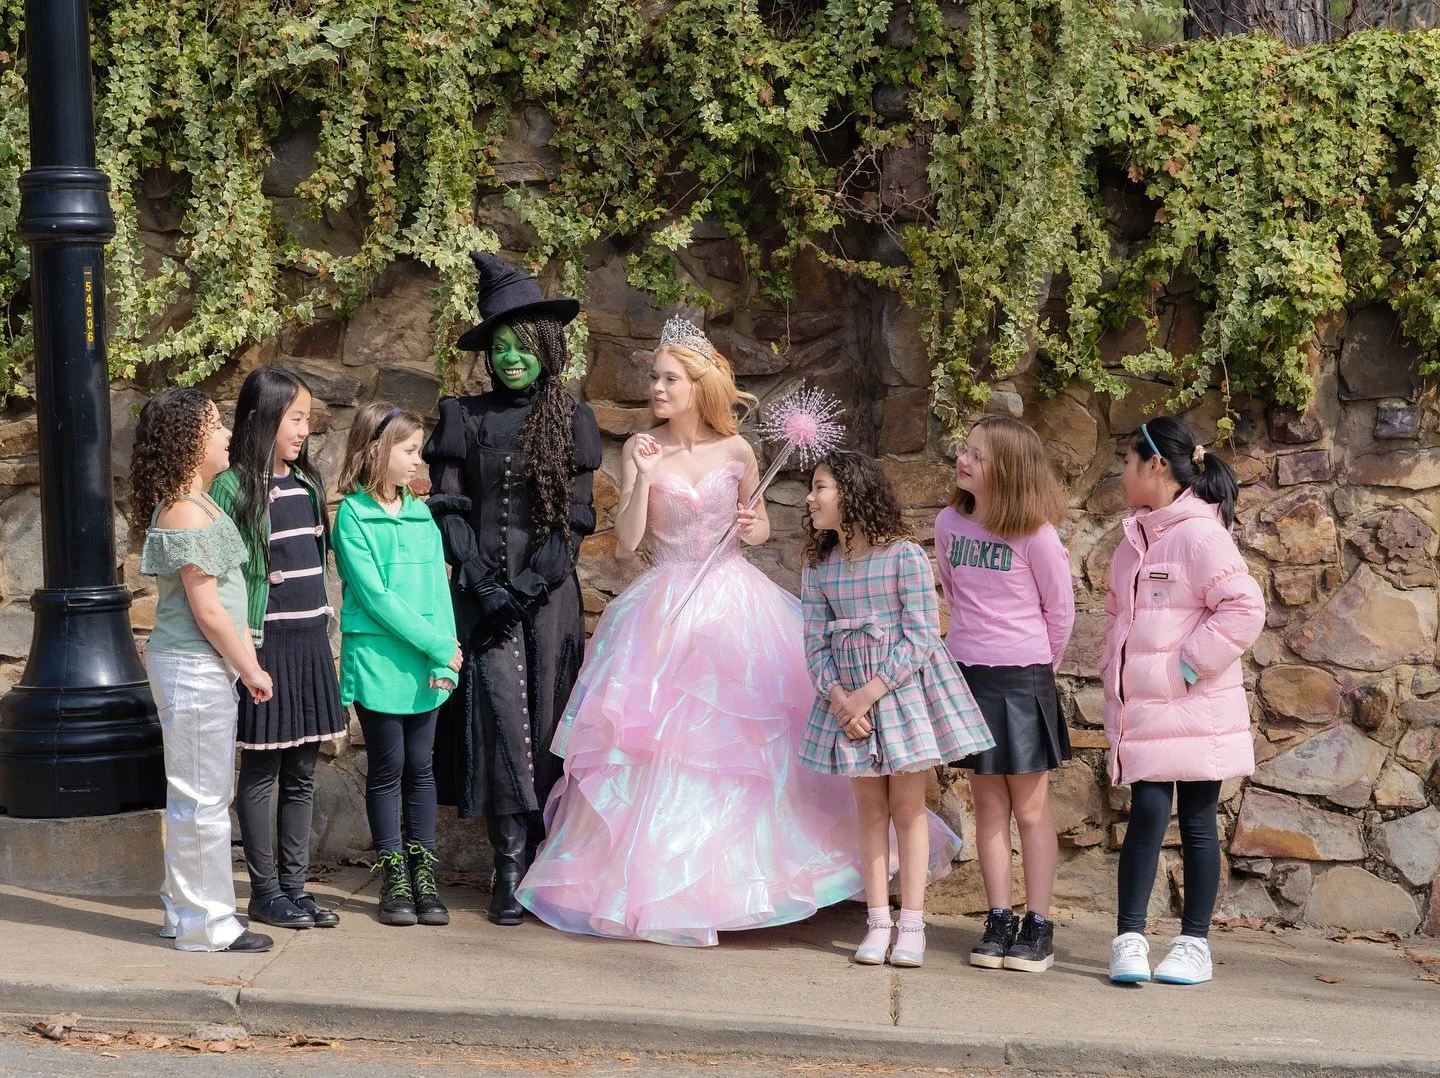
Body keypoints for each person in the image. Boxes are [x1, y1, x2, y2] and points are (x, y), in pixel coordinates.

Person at [517, 316, 961, 947]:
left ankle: (751, 884)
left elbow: (757, 529)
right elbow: (628, 544)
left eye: (670, 379)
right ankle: (663, 887)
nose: (657, 388)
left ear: (699, 386)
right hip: (666, 604)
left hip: (733, 602)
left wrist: (754, 529)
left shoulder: (738, 451)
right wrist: (638, 475)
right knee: (661, 745)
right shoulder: (643, 447)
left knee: (744, 742)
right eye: (654, 378)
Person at [423, 253, 600, 926]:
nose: (509, 359)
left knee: (548, 721)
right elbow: (449, 508)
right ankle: (507, 864)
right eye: (498, 348)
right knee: (498, 717)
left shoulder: (572, 420)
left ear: (545, 345)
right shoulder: (462, 416)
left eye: (520, 345)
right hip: (482, 595)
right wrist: (481, 582)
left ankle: (546, 862)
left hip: (547, 596)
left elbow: (573, 521)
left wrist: (526, 586)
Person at [800, 451, 994, 968]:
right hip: (848, 704)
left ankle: (912, 924)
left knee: (908, 810)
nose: (810, 499)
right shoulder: (820, 567)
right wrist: (841, 700)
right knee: (869, 812)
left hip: (898, 694)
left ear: (851, 493)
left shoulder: (904, 555)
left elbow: (923, 634)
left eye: (820, 487)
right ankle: (877, 922)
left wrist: (868, 694)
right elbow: (814, 643)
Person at [1102, 417, 1264, 986]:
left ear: (1155, 465)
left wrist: (1187, 666)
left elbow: (1245, 608)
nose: (1122, 473)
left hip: (1196, 707)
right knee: (1146, 813)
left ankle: (1194, 943)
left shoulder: (1200, 535)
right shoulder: (1135, 541)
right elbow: (1118, 619)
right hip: (1149, 709)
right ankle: (1129, 939)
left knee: (1196, 820)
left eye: (1127, 461)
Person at [130, 388, 273, 953]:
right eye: (215, 425)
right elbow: (208, 610)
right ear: (189, 439)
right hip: (193, 667)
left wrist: (243, 664)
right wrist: (251, 669)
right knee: (201, 800)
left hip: (202, 666)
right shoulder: (185, 510)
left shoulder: (201, 501)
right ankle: (206, 925)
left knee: (201, 795)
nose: (227, 433)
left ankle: (182, 912)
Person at [935, 416, 1075, 974]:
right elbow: (953, 593)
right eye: (964, 449)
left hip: (1024, 678)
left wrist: (1036, 670)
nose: (962, 459)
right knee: (988, 805)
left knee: (1032, 808)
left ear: (1009, 469)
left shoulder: (1038, 535)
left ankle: (1037, 923)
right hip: (970, 676)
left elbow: (1059, 613)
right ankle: (998, 918)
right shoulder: (949, 523)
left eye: (977, 454)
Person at [210, 366, 345, 931]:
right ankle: (264, 892)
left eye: (307, 419)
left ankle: (295, 888)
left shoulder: (307, 485)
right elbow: (226, 580)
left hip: (310, 642)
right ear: (260, 417)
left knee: (303, 771)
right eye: (294, 418)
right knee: (263, 768)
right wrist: (246, 658)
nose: (303, 430)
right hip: (265, 646)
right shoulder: (232, 487)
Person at [333, 402, 461, 928]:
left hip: (426, 661)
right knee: (388, 768)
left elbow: (437, 588)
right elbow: (376, 598)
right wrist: (436, 643)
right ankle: (394, 876)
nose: (417, 460)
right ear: (376, 450)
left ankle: (423, 873)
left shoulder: (420, 514)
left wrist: (446, 656)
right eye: (409, 451)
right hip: (379, 661)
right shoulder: (352, 516)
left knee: (421, 767)